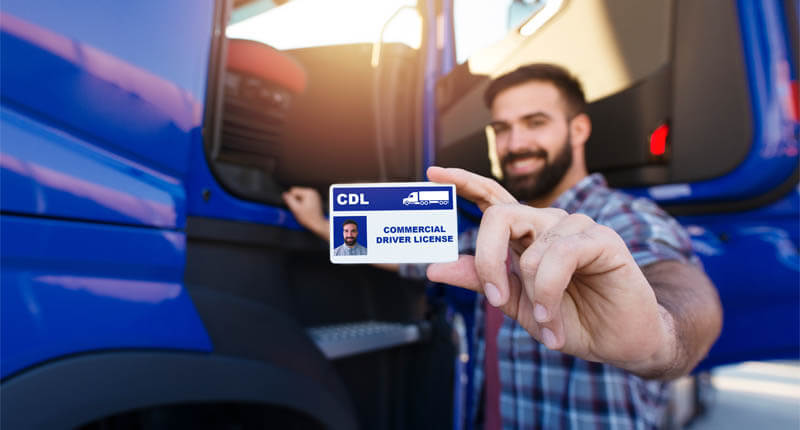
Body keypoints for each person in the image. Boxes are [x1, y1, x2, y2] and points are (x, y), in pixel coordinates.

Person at [283, 63, 722, 429]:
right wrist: (323, 224)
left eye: (535, 123)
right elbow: (416, 255)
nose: (515, 144)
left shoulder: (626, 219)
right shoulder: (497, 228)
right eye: (502, 128)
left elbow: (686, 290)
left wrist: (659, 339)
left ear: (578, 128)